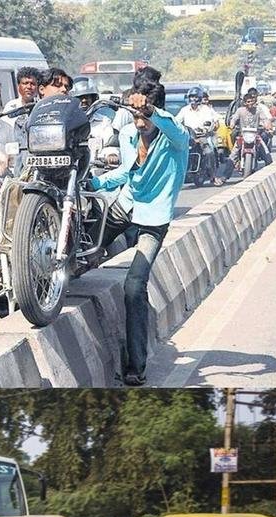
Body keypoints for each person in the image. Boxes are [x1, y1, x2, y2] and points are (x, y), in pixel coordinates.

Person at [89, 78, 188, 386]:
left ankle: (137, 365)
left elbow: (172, 127)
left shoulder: (176, 138)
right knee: (84, 245)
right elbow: (125, 172)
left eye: (144, 116)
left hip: (153, 221)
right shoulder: (130, 133)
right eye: (135, 116)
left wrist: (151, 110)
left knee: (133, 287)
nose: (140, 122)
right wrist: (95, 183)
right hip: (125, 206)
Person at [213, 88, 273, 186]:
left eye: (252, 101)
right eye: (248, 102)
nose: (250, 104)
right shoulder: (240, 110)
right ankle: (224, 177)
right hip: (243, 136)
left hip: (256, 136)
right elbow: (234, 118)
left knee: (267, 155)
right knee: (232, 157)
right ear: (244, 103)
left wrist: (268, 127)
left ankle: (270, 177)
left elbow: (265, 119)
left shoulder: (258, 110)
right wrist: (231, 124)